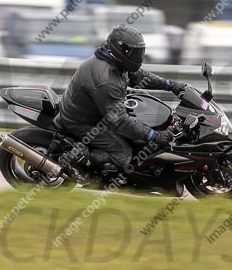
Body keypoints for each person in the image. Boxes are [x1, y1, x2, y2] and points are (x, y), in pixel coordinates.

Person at [54, 24, 186, 177]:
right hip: (81, 122)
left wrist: (171, 85)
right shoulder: (107, 80)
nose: (138, 57)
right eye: (134, 53)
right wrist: (155, 136)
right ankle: (77, 158)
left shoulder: (115, 61)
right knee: (123, 154)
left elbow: (140, 76)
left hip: (91, 112)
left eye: (139, 52)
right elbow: (120, 122)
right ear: (121, 50)